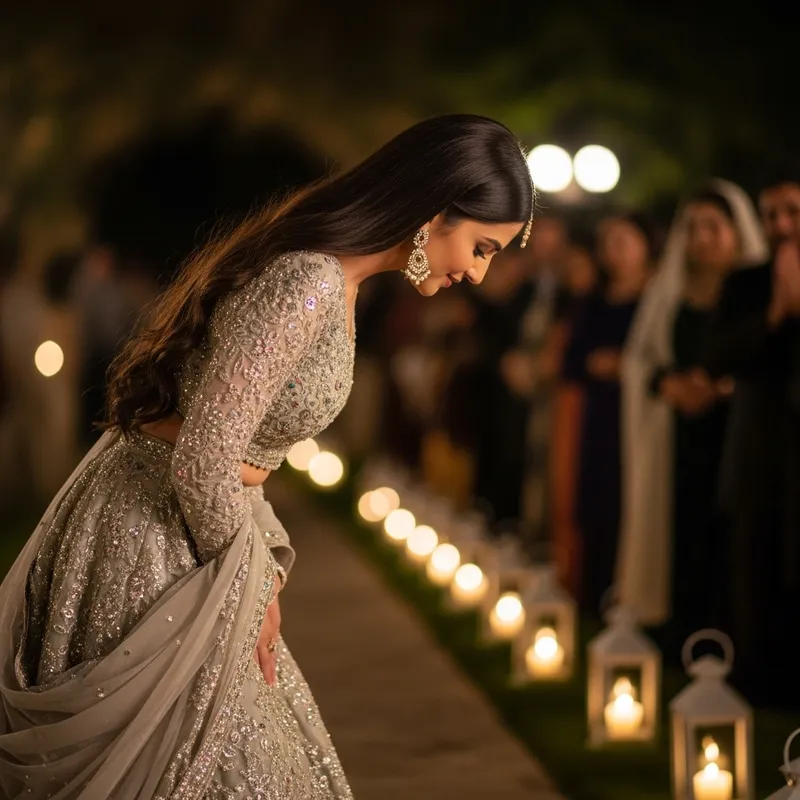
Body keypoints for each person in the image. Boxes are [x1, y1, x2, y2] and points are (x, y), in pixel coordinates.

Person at [0, 114, 534, 798]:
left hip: (193, 527)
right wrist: (251, 577)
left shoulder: (337, 282)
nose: (481, 274)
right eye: (483, 247)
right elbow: (206, 452)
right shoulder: (309, 281)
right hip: (154, 535)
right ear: (436, 209)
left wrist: (258, 569)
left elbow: (238, 451)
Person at [614, 182, 768, 661]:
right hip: (677, 438)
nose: (702, 238)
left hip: (737, 437)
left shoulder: (756, 292)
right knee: (679, 539)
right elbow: (639, 358)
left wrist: (723, 389)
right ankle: (678, 636)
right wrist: (667, 385)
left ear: (738, 232)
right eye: (693, 228)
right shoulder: (670, 292)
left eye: (713, 227)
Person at [703, 164, 800, 708]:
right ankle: (760, 688)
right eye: (772, 215)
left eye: (793, 213)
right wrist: (775, 314)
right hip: (757, 449)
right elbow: (717, 356)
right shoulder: (745, 284)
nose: (783, 225)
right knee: (754, 565)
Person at [558, 214, 653, 613]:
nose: (613, 249)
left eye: (622, 239)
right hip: (597, 417)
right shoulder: (592, 300)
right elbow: (570, 360)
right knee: (594, 501)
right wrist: (594, 364)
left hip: (640, 420)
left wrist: (626, 365)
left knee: (631, 503)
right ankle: (591, 598)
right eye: (607, 240)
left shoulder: (656, 299)